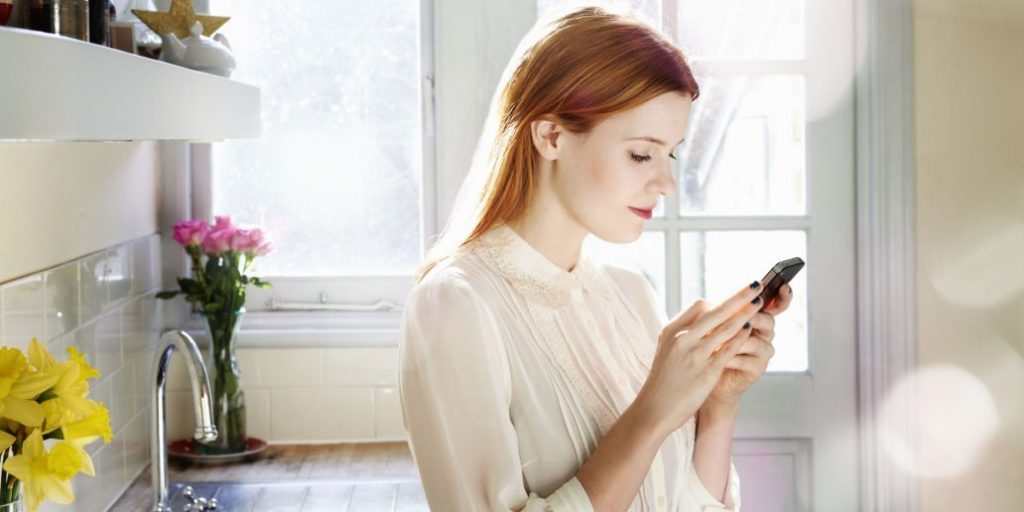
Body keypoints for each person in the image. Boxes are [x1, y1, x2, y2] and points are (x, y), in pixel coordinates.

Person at [398, 4, 794, 511]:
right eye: (640, 153)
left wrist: (718, 403)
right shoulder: (454, 304)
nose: (667, 183)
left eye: (669, 154)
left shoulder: (632, 293)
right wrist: (655, 410)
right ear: (551, 136)